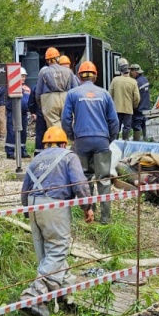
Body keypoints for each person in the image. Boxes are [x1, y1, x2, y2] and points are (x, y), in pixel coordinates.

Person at [18, 127, 93, 316]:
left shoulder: (36, 160)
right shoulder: (69, 156)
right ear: (63, 143)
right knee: (58, 250)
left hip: (34, 205)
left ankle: (66, 294)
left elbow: (25, 190)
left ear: (45, 144)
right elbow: (79, 183)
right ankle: (34, 296)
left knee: (47, 253)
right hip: (54, 204)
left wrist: (29, 212)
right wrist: (87, 207)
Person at [61, 61, 119, 224]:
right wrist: (109, 139)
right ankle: (106, 219)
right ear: (95, 76)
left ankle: (89, 213)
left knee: (85, 178)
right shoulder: (105, 94)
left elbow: (65, 119)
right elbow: (114, 121)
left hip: (82, 141)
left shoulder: (72, 94)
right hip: (101, 141)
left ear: (79, 76)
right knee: (104, 180)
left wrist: (73, 136)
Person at [34, 47, 77, 129]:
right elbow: (75, 88)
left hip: (50, 100)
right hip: (66, 98)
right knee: (68, 124)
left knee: (54, 127)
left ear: (47, 60)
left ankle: (57, 141)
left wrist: (41, 105)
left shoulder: (43, 72)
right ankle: (68, 140)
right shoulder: (68, 71)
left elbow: (38, 93)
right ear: (58, 58)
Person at [110, 62, 141, 140]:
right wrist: (134, 106)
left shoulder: (115, 80)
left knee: (117, 127)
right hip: (128, 109)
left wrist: (113, 105)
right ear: (129, 71)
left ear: (120, 70)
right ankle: (125, 142)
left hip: (117, 108)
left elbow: (110, 94)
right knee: (127, 128)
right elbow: (137, 97)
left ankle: (115, 143)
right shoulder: (133, 82)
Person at [5, 86, 30, 159]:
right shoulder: (12, 85)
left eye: (24, 76)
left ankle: (22, 151)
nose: (23, 78)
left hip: (23, 113)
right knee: (11, 133)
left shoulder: (27, 88)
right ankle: (10, 152)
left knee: (23, 133)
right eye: (22, 76)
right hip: (13, 112)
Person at [130, 64, 151, 141]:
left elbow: (135, 97)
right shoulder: (145, 80)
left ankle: (136, 142)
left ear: (135, 72)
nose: (131, 73)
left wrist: (133, 107)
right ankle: (147, 140)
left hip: (138, 109)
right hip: (146, 107)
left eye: (132, 71)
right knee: (145, 125)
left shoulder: (136, 82)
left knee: (137, 126)